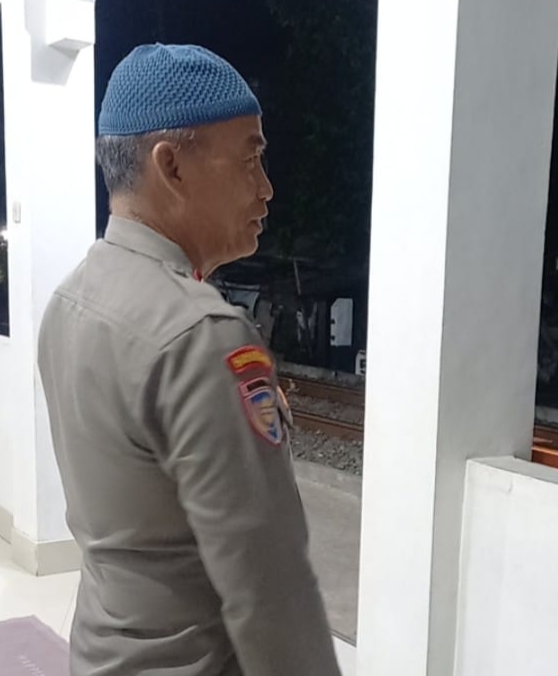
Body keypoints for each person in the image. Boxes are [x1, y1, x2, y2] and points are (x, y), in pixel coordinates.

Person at [37, 44, 341, 676]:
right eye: (251, 158)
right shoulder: (202, 336)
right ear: (170, 166)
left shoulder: (69, 303)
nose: (267, 187)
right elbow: (270, 592)